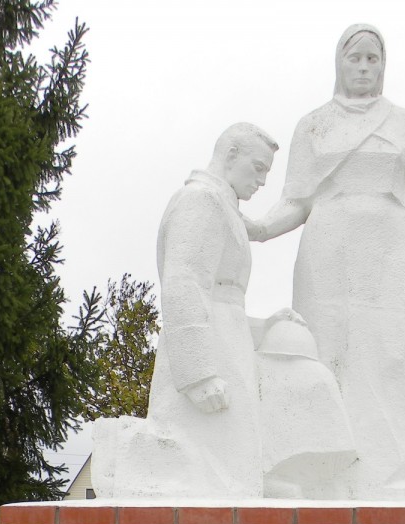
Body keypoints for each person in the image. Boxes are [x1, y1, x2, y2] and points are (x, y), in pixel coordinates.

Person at [249, 23, 405, 500]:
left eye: (371, 59)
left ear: (383, 66)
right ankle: (323, 474)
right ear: (339, 63)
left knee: (388, 357)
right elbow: (296, 200)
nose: (362, 68)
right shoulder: (314, 124)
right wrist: (257, 227)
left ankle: (390, 480)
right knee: (325, 353)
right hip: (328, 248)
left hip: (390, 247)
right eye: (354, 58)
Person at [92, 123, 275, 497]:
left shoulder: (221, 205)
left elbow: (225, 301)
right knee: (224, 479)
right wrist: (198, 374)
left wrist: (266, 327)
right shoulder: (201, 200)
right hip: (207, 366)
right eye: (258, 168)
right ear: (230, 155)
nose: (262, 181)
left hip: (224, 346)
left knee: (236, 477)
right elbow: (184, 282)